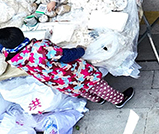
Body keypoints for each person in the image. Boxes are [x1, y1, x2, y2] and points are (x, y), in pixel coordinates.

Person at [0, 27, 133, 107]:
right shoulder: (39, 47)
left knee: (81, 90)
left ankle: (98, 100)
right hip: (72, 73)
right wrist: (80, 50)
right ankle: (119, 100)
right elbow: (66, 56)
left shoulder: (10, 56)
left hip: (55, 80)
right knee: (96, 85)